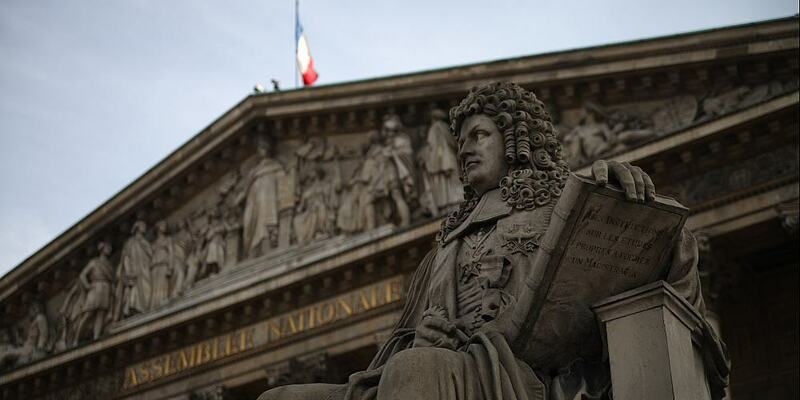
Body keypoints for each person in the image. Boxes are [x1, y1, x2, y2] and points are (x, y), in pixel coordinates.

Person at [258, 82, 727, 400]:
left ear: (516, 139)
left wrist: (628, 203)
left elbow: (662, 258)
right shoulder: (447, 242)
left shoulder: (563, 206)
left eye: (478, 134)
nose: (464, 148)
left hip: (523, 377)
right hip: (448, 371)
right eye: (459, 139)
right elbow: (400, 344)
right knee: (281, 396)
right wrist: (418, 338)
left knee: (414, 372)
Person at [237, 135, 285, 258]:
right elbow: (245, 190)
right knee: (250, 222)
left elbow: (284, 184)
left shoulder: (275, 166)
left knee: (265, 219)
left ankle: (266, 243)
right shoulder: (253, 171)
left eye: (264, 146)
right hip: (253, 202)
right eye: (260, 147)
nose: (262, 149)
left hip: (268, 200)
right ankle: (253, 248)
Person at [74, 242, 114, 345]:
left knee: (101, 313)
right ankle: (76, 340)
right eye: (107, 247)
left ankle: (96, 337)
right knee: (88, 314)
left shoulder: (109, 265)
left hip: (106, 288)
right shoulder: (94, 262)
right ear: (102, 249)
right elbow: (82, 275)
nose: (109, 249)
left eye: (109, 248)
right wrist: (87, 286)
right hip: (95, 287)